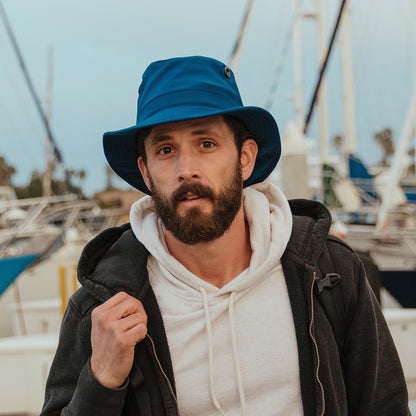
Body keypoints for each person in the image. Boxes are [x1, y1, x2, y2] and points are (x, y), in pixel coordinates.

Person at [41, 56, 410, 415]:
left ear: (245, 158)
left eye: (206, 144)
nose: (186, 169)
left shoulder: (328, 271)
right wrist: (101, 382)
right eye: (166, 150)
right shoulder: (103, 306)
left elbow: (385, 406)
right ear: (146, 172)